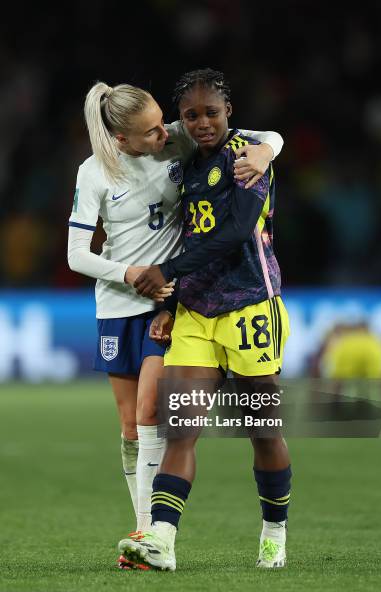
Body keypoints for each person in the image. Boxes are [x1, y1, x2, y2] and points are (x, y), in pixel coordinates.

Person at [67, 80, 285, 563]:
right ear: (122, 139)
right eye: (149, 132)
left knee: (157, 414)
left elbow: (265, 135)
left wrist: (267, 150)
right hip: (121, 301)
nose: (164, 135)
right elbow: (75, 254)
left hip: (177, 299)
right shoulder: (95, 172)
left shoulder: (183, 137)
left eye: (162, 122)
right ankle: (146, 531)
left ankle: (152, 536)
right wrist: (130, 274)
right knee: (132, 424)